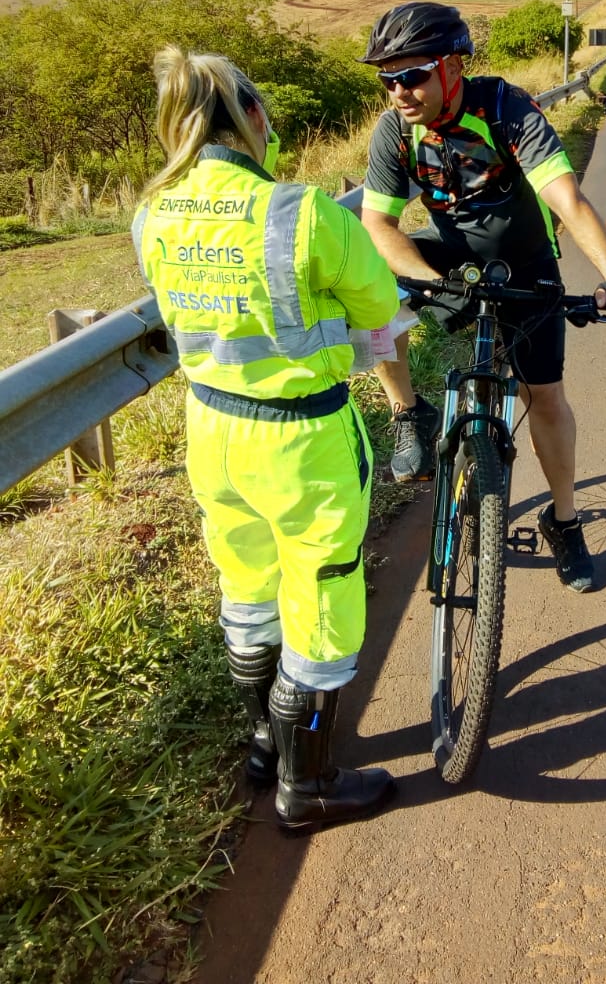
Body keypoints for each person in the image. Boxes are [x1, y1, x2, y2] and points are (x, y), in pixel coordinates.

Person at [132, 46, 400, 833]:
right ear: (253, 116)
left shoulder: (153, 211)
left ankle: (265, 745)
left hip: (210, 428)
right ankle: (307, 785)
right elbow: (378, 299)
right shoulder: (302, 211)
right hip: (302, 439)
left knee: (246, 586)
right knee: (321, 593)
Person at [358, 3, 606, 593]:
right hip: (450, 262)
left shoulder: (505, 108)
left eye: (412, 75)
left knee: (544, 397)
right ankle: (406, 413)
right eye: (387, 79)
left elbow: (566, 198)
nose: (399, 92)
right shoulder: (396, 131)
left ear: (454, 67)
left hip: (526, 263)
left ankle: (563, 521)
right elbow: (378, 225)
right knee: (370, 284)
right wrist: (429, 280)